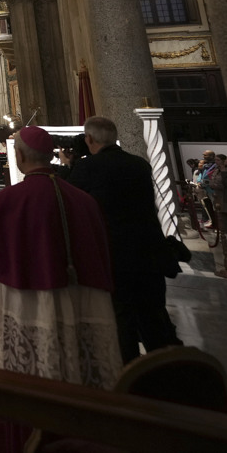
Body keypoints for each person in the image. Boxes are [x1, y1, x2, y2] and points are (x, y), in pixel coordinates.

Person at [0, 124, 121, 389]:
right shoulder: (83, 199)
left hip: (29, 296)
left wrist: (10, 270)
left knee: (34, 363)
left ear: (19, 156)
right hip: (83, 294)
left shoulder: (9, 199)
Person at [68, 115, 181, 363]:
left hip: (115, 254)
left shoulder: (88, 167)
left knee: (122, 319)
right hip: (149, 252)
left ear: (89, 139)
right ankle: (168, 370)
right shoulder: (139, 164)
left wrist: (70, 165)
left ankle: (129, 373)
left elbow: (72, 200)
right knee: (154, 316)